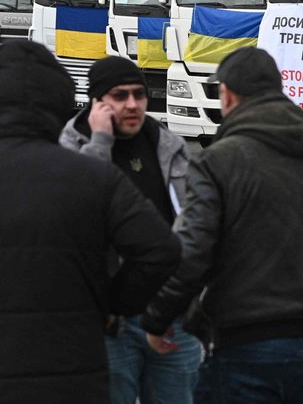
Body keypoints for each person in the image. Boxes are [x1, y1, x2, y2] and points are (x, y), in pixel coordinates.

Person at [0, 40, 182, 404]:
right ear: (58, 102)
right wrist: (109, 304)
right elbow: (162, 250)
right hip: (75, 376)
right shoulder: (94, 179)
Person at [140, 46, 303, 403]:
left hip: (245, 341)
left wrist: (158, 316)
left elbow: (192, 251)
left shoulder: (218, 162)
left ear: (227, 94)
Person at [60, 55, 200, 404]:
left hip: (172, 316)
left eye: (139, 94)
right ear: (97, 102)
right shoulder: (70, 148)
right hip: (109, 323)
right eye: (120, 96)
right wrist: (101, 143)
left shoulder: (167, 145)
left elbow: (193, 224)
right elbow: (80, 217)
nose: (133, 105)